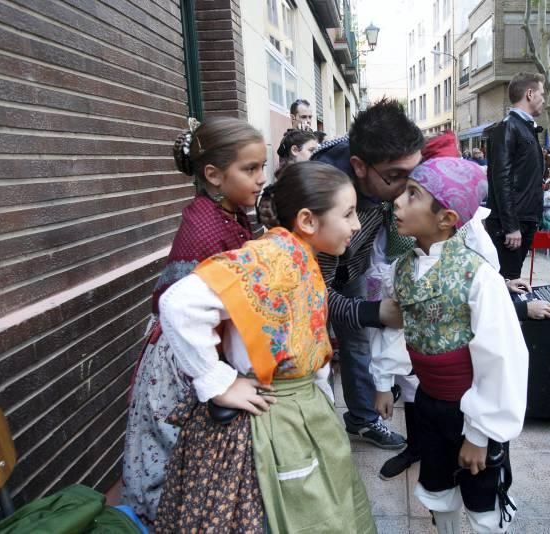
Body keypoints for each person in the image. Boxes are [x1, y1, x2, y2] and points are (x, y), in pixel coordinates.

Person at [154, 162, 376, 533]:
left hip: (297, 412)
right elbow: (179, 303)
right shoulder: (271, 259)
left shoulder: (299, 255)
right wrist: (218, 381)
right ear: (307, 220)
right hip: (273, 418)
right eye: (349, 213)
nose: (356, 225)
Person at [121, 117, 265, 524]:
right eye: (249, 169)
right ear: (214, 176)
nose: (259, 180)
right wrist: (218, 378)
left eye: (262, 168)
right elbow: (182, 309)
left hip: (203, 347)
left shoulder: (231, 212)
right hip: (184, 358)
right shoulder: (202, 227)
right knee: (176, 460)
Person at [374, 157, 528, 533]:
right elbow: (397, 325)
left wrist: (479, 433)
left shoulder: (478, 277)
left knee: (480, 491)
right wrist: (383, 378)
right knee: (438, 481)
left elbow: (500, 358)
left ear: (446, 218)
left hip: (470, 407)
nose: (398, 201)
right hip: (429, 403)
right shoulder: (402, 268)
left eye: (413, 195)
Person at [310, 98, 424, 449]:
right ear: (359, 167)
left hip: (353, 268)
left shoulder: (384, 177)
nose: (406, 190)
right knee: (315, 355)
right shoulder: (317, 192)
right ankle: (316, 435)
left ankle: (361, 419)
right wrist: (371, 311)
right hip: (313, 282)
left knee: (357, 340)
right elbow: (309, 292)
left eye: (414, 175)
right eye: (395, 178)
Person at [486, 71, 546, 279]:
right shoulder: (508, 127)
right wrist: (511, 226)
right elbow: (500, 179)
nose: (544, 100)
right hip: (513, 224)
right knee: (508, 280)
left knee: (511, 278)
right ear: (530, 94)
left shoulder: (521, 127)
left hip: (522, 219)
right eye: (542, 93)